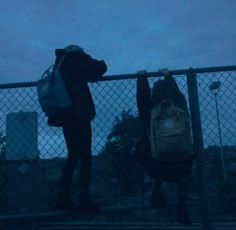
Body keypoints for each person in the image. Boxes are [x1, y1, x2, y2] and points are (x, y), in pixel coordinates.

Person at [51, 45, 107, 212]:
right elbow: (98, 69)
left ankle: (63, 197)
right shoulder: (76, 57)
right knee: (85, 157)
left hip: (65, 115)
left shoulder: (59, 62)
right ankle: (84, 198)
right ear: (77, 50)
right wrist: (100, 62)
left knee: (73, 156)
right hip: (79, 115)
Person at [135, 69, 193, 225]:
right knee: (185, 150)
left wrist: (142, 78)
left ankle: (157, 185)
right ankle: (182, 198)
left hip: (158, 162)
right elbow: (177, 94)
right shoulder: (180, 107)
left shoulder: (150, 110)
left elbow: (142, 99)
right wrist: (168, 77)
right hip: (182, 162)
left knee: (141, 148)